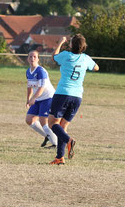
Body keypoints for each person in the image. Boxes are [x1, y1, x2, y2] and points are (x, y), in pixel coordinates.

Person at [48, 34, 99, 165]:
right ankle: (60, 157)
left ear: (71, 45)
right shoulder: (85, 58)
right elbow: (96, 67)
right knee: (63, 126)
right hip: (77, 97)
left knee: (52, 123)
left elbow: (54, 57)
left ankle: (69, 140)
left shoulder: (66, 55)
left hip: (63, 94)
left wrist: (60, 42)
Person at [25, 50, 58, 148]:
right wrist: (28, 99)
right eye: (30, 56)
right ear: (27, 59)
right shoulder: (28, 71)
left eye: (35, 57)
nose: (32, 59)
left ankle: (55, 144)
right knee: (29, 120)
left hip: (48, 97)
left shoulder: (41, 71)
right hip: (38, 99)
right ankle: (47, 136)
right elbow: (29, 86)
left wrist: (33, 98)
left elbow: (41, 88)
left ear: (38, 59)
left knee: (44, 121)